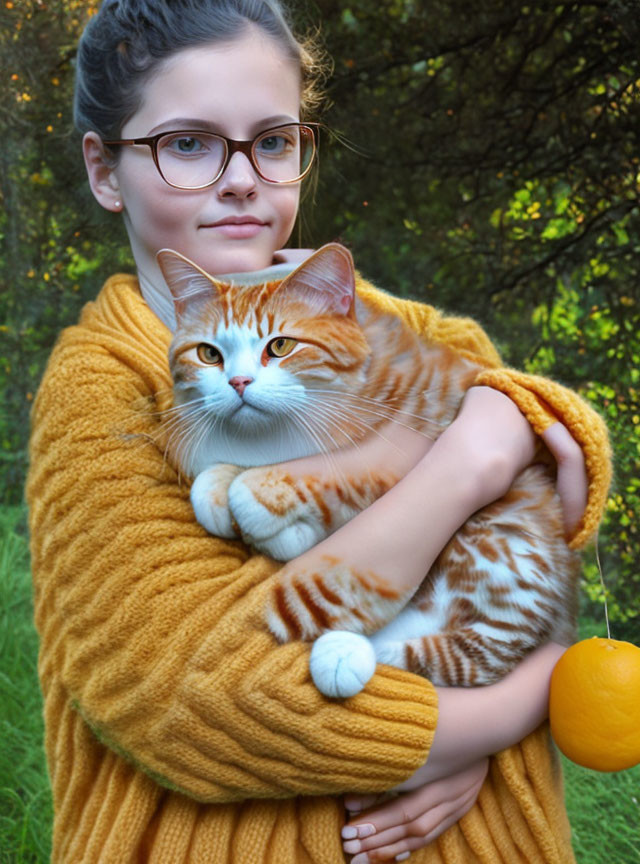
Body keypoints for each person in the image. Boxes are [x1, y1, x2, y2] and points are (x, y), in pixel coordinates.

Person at [26, 1, 612, 862]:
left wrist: (534, 430)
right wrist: (490, 719)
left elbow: (547, 534)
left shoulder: (420, 335)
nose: (241, 179)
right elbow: (203, 699)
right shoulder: (103, 391)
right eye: (187, 143)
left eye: (271, 140)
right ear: (106, 169)